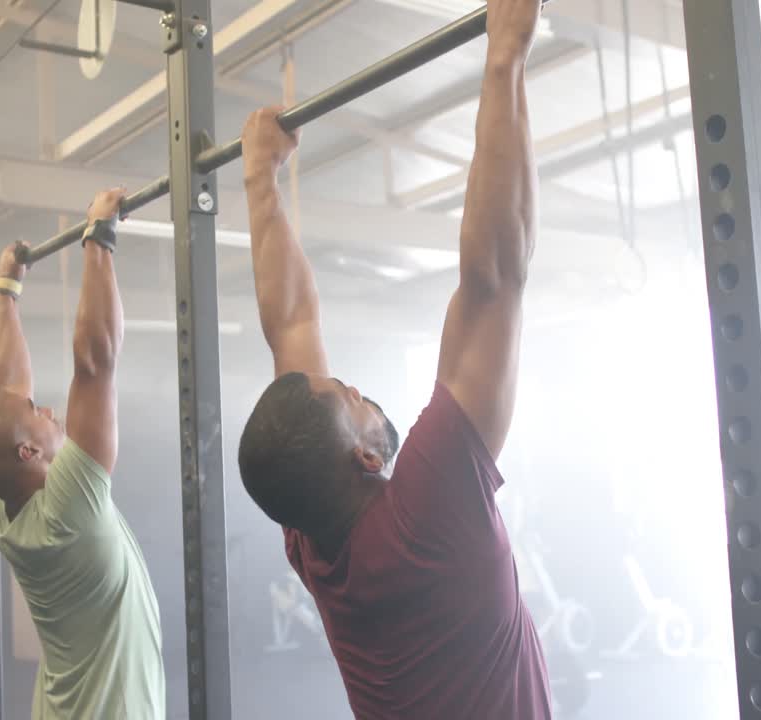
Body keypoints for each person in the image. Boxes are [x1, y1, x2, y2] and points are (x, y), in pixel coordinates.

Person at [235, 0, 551, 717]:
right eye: (351, 396)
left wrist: (262, 181)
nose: (359, 388)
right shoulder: (431, 503)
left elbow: (292, 325)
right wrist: (504, 57)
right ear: (366, 457)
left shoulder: (317, 534)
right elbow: (494, 278)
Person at [0, 190, 165, 720]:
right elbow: (94, 363)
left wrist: (6, 291)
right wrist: (99, 237)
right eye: (39, 413)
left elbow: (5, 390)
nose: (49, 410)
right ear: (28, 450)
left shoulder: (8, 504)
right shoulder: (70, 506)